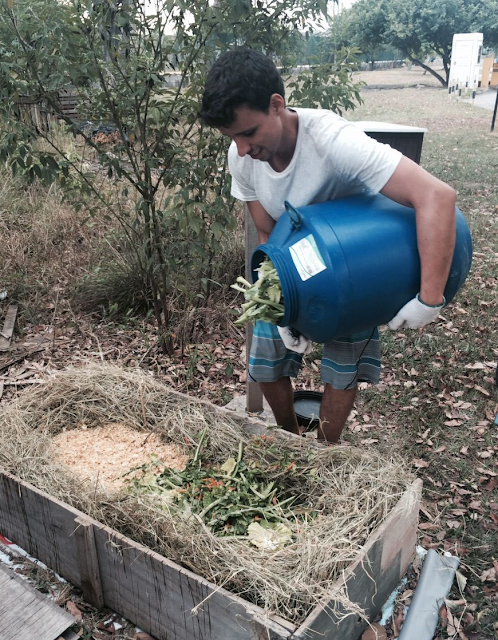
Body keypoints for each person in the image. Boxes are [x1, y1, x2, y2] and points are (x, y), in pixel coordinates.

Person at [199, 48, 456, 443]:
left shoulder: (333, 141)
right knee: (266, 360)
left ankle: (326, 449)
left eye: (248, 133)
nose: (242, 149)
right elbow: (268, 233)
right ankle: (289, 437)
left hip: (352, 265)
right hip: (290, 267)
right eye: (232, 137)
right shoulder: (242, 157)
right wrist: (283, 307)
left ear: (276, 105)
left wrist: (429, 299)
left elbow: (437, 196)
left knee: (342, 369)